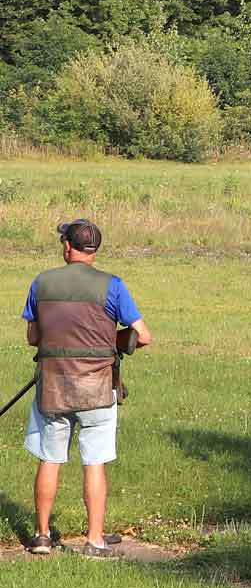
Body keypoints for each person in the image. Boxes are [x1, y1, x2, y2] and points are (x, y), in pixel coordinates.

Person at [22, 219, 152, 556]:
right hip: (97, 388)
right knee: (94, 462)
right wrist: (114, 339)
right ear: (94, 251)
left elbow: (33, 337)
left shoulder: (42, 283)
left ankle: (42, 536)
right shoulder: (113, 285)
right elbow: (144, 337)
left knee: (49, 459)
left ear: (67, 246)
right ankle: (94, 540)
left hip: (52, 387)